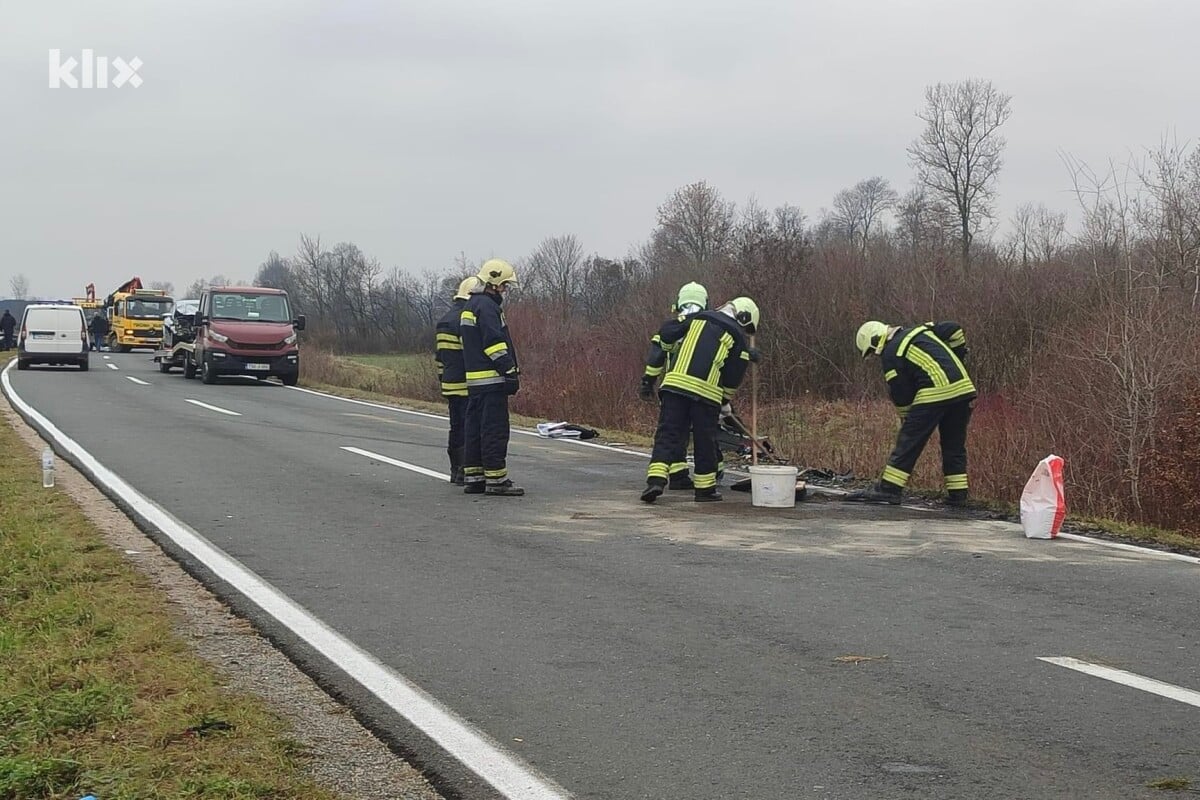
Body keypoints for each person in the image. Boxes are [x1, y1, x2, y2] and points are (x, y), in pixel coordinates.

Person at [641, 297, 760, 503]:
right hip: (705, 393)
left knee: (667, 434)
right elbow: (733, 374)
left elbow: (668, 333)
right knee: (705, 440)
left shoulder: (698, 318)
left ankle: (656, 481)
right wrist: (725, 400)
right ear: (744, 317)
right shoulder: (737, 336)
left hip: (674, 387)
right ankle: (705, 490)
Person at [848, 320, 975, 506]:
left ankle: (889, 489)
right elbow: (955, 330)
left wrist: (907, 418)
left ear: (875, 341)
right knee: (953, 445)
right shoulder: (922, 330)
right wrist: (958, 356)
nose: (876, 355)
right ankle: (958, 497)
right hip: (963, 390)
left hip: (935, 392)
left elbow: (902, 394)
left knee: (909, 442)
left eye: (872, 351)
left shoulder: (891, 352)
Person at [639, 281, 715, 489]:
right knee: (702, 432)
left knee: (673, 432)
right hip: (702, 390)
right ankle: (700, 476)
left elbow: (656, 357)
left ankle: (674, 474)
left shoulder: (671, 328)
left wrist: (648, 382)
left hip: (672, 389)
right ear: (706, 303)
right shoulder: (709, 328)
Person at [460, 259, 523, 497]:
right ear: (494, 283)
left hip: (475, 382)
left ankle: (474, 478)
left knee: (474, 429)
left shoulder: (471, 305)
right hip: (492, 381)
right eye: (504, 285)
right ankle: (496, 479)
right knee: (494, 430)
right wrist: (509, 370)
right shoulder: (487, 307)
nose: (505, 290)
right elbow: (494, 343)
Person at [435, 276, 480, 485]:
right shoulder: (465, 318)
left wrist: (443, 379)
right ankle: (465, 469)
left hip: (450, 383)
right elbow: (470, 354)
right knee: (469, 427)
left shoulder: (444, 319)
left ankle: (455, 470)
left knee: (456, 426)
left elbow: (440, 358)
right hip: (467, 384)